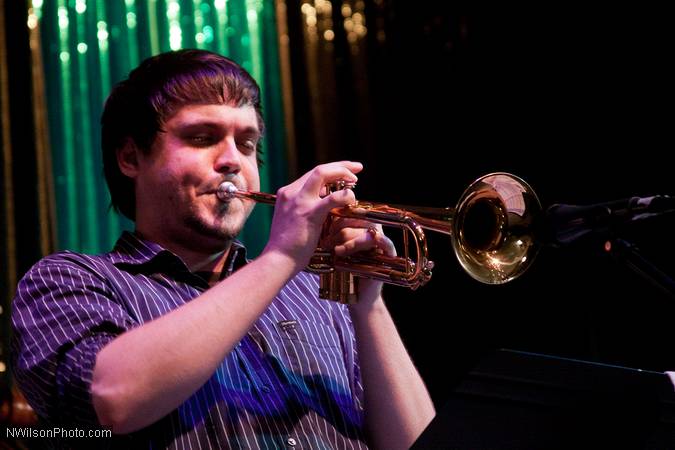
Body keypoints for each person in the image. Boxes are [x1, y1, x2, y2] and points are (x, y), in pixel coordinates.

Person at [11, 49, 435, 449]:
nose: (233, 160)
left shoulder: (314, 293)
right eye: (201, 137)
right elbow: (113, 399)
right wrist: (283, 257)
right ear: (129, 157)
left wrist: (367, 306)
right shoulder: (71, 281)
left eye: (247, 144)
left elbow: (416, 444)